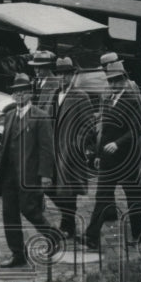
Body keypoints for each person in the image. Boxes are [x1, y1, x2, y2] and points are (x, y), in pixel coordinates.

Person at [83, 60, 141, 250]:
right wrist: (97, 154)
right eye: (110, 81)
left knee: (134, 197)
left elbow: (139, 127)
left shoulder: (131, 99)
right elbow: (103, 130)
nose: (112, 84)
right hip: (107, 159)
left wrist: (117, 143)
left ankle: (140, 234)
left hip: (127, 158)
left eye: (115, 81)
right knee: (102, 197)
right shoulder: (107, 99)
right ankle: (92, 236)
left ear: (123, 80)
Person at [0, 74, 58, 269]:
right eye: (16, 92)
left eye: (23, 91)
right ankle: (17, 254)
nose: (20, 95)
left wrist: (46, 174)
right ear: (13, 95)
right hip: (9, 175)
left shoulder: (40, 116)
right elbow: (4, 146)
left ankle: (52, 235)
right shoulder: (10, 116)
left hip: (29, 174)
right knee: (9, 214)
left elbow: (46, 148)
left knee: (29, 209)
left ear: (30, 94)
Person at [46, 57, 94, 238]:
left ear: (73, 76)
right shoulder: (53, 94)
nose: (63, 78)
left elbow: (89, 124)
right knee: (49, 187)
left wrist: (76, 143)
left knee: (69, 190)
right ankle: (68, 221)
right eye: (60, 74)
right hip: (52, 149)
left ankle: (68, 225)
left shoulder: (81, 96)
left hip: (70, 152)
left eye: (67, 74)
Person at [29, 50, 61, 115]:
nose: (37, 71)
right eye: (35, 67)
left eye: (40, 67)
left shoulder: (56, 84)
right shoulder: (35, 82)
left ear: (47, 67)